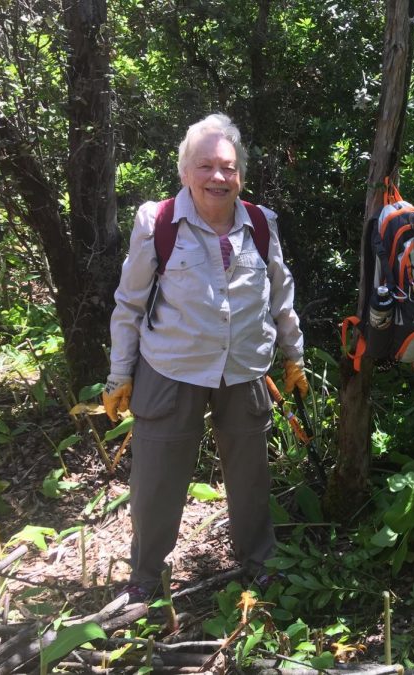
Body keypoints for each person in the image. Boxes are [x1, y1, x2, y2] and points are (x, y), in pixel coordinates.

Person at [102, 113, 309, 601]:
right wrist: (118, 375)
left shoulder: (261, 223)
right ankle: (145, 576)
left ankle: (261, 561)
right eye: (206, 165)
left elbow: (282, 294)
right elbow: (130, 302)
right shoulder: (157, 223)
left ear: (241, 175)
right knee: (156, 479)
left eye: (229, 167)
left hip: (243, 368)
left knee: (250, 475)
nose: (219, 177)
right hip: (170, 367)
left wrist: (293, 355)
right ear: (184, 171)